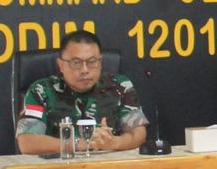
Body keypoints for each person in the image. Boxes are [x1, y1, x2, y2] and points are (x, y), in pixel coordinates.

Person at [16, 30, 148, 154]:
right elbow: (27, 143)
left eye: (91, 62)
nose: (85, 70)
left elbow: (139, 134)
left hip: (108, 164)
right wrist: (80, 144)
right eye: (76, 63)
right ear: (60, 65)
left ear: (100, 62)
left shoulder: (119, 85)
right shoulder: (41, 90)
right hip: (60, 166)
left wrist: (114, 142)